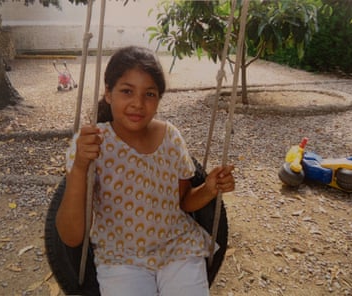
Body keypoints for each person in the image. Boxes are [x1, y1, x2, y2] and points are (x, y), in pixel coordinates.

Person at [56, 45, 235, 296]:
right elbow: (71, 237)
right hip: (121, 257)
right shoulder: (92, 144)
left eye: (149, 94)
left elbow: (182, 202)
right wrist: (79, 169)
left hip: (178, 248)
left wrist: (209, 189)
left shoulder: (171, 138)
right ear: (108, 93)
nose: (138, 104)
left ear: (159, 99)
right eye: (127, 91)